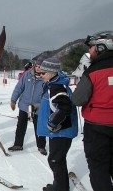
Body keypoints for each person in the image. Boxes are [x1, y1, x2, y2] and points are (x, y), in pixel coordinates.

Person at [72, 31, 113, 191]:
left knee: (99, 168)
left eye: (92, 48)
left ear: (102, 47)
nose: (90, 52)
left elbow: (77, 99)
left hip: (97, 129)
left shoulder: (92, 72)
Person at [37, 57, 78, 191]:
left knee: (55, 160)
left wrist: (52, 123)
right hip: (59, 131)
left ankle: (60, 187)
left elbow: (65, 108)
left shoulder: (56, 87)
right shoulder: (54, 84)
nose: (40, 75)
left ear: (50, 73)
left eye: (42, 73)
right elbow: (55, 105)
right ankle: (60, 185)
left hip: (62, 131)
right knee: (57, 159)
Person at [8, 55, 47, 155]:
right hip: (24, 105)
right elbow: (19, 87)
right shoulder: (27, 74)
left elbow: (48, 94)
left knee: (39, 127)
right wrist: (13, 100)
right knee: (21, 126)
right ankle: (18, 144)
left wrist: (41, 105)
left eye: (41, 66)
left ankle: (41, 146)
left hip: (38, 107)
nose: (38, 68)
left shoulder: (46, 78)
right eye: (37, 65)